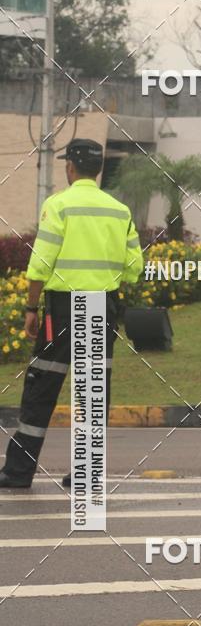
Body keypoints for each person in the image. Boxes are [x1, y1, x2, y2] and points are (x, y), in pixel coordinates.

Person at [0, 138, 144, 489]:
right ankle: (87, 473)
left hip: (63, 310)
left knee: (42, 386)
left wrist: (31, 308)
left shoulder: (59, 205)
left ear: (69, 168)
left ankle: (19, 472)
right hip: (102, 307)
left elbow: (41, 264)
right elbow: (134, 267)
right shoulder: (118, 210)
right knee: (93, 392)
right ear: (98, 170)